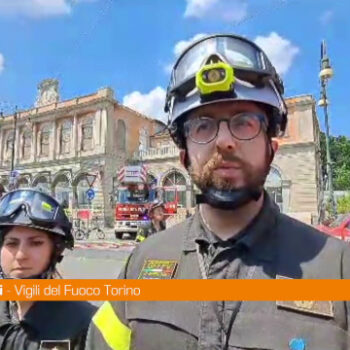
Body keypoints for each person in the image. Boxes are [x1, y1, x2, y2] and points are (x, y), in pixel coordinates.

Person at [86, 34, 350, 350]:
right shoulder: (140, 263)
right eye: (203, 125)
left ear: (272, 148)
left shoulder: (339, 267)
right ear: (184, 156)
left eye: (245, 122)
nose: (224, 141)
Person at [0, 189, 97, 350]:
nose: (21, 255)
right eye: (11, 243)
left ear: (55, 250)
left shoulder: (85, 322)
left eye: (36, 243)